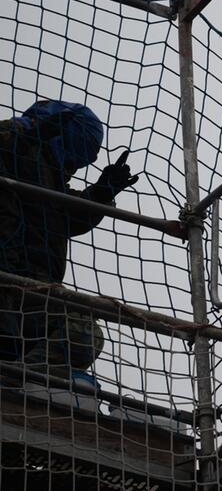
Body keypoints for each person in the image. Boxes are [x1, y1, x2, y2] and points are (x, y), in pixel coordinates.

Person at [0, 100, 137, 392]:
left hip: (32, 290)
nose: (80, 162)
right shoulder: (16, 141)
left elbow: (65, 218)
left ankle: (12, 382)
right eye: (82, 149)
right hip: (6, 276)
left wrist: (101, 193)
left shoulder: (52, 177)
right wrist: (29, 135)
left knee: (82, 333)